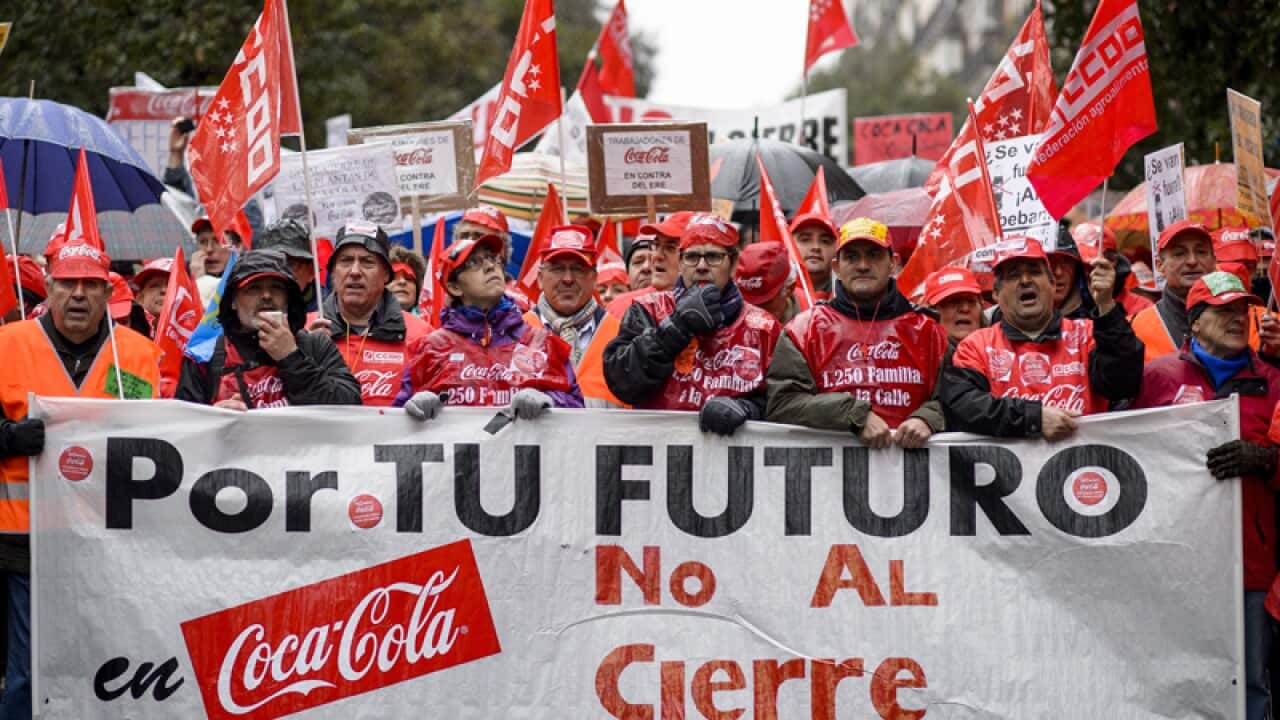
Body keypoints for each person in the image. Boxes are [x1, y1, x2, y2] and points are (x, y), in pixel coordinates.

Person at [0, 238, 161, 719]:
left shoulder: (138, 355)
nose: (77, 294)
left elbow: (173, 434)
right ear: (47, 286)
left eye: (90, 284)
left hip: (110, 545)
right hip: (24, 543)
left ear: (107, 291)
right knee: (29, 669)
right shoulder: (6, 346)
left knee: (102, 667)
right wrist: (6, 437)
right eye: (67, 282)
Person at [1132, 271, 1280, 720]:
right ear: (1194, 322)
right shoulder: (1156, 379)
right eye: (1223, 311)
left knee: (1253, 682)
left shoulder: (1274, 382)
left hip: (1252, 566)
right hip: (1177, 563)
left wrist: (1268, 461)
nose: (1237, 319)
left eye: (1242, 310)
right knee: (1179, 676)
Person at [767, 218, 947, 447]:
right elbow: (782, 403)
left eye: (874, 255)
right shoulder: (803, 331)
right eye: (852, 257)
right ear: (836, 267)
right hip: (832, 479)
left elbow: (953, 400)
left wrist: (928, 418)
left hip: (910, 477)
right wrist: (854, 414)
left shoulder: (929, 332)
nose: (863, 265)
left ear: (893, 263)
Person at [942, 236, 1144, 439]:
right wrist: (1033, 418)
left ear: (1052, 284)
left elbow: (1123, 384)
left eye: (1035, 272)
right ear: (996, 293)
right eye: (1013, 275)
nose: (1025, 280)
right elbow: (962, 407)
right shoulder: (975, 347)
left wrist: (1106, 307)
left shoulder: (1089, 334)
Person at [603, 215, 781, 436]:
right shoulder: (647, 310)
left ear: (734, 264)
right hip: (662, 456)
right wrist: (676, 326)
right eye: (692, 257)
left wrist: (749, 408)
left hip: (731, 462)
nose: (702, 266)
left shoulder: (764, 327)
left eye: (714, 257)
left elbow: (783, 401)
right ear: (680, 261)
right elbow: (623, 383)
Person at [395, 232, 583, 417]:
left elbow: (580, 412)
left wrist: (551, 402)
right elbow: (394, 425)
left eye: (494, 259)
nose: (490, 266)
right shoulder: (430, 349)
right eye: (474, 263)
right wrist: (413, 406)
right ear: (454, 287)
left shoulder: (543, 342)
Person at [175, 249, 361, 408]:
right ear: (232, 301)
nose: (266, 295)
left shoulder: (315, 345)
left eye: (276, 288)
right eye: (253, 288)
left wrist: (291, 357)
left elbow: (350, 407)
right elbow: (185, 431)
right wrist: (212, 418)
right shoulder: (203, 357)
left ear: (289, 298)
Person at [305, 221, 429, 406]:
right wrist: (303, 357)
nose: (355, 271)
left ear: (386, 275)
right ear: (332, 272)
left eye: (367, 262)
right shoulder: (304, 329)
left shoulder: (422, 334)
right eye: (346, 261)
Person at [1131, 220, 1278, 362]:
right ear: (1159, 265)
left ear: (1214, 261)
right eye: (1179, 254)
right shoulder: (1134, 327)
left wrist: (1274, 358)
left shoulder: (1266, 324)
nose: (1192, 261)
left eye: (1201, 252)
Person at [527, 225, 605, 367]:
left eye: (577, 269)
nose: (568, 279)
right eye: (558, 269)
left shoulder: (619, 334)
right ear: (539, 278)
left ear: (594, 279)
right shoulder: (517, 331)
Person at [455, 205, 531, 310]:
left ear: (502, 250)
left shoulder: (520, 305)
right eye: (464, 236)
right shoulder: (437, 296)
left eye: (479, 237)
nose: (469, 243)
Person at [255, 219, 318, 311]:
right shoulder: (248, 310)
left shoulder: (331, 313)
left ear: (311, 271)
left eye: (290, 263)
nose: (281, 271)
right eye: (272, 263)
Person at [735, 241, 798, 323]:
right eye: (747, 303)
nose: (755, 312)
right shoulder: (727, 317)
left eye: (764, 303)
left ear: (789, 289)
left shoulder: (810, 317)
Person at [923, 266, 984, 348]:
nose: (965, 308)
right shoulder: (918, 357)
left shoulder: (1002, 351)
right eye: (953, 302)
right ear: (931, 312)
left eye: (971, 301)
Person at [789, 211, 838, 299]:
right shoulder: (775, 297)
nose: (816, 247)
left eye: (825, 241)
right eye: (805, 240)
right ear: (789, 244)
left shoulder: (851, 297)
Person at [389, 245, 427, 314]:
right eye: (393, 277)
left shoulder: (433, 323)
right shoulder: (364, 322)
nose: (402, 281)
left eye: (409, 278)